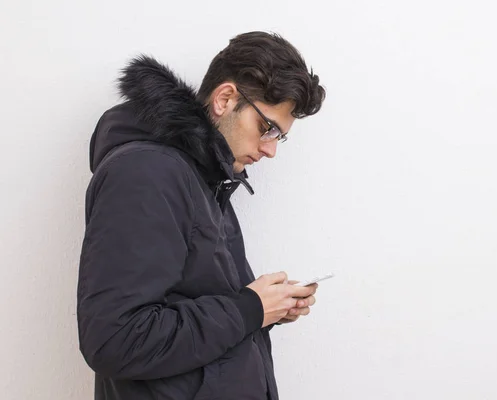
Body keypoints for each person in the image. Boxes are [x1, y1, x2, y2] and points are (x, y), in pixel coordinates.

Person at [77, 31, 326, 400]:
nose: (270, 149)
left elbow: (193, 307)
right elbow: (117, 340)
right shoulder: (147, 174)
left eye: (280, 137)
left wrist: (265, 309)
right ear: (225, 99)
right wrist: (249, 309)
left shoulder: (204, 178)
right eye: (267, 127)